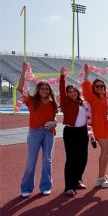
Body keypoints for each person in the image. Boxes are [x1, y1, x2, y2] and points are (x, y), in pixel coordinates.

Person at [18, 62, 58, 197]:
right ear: (38, 90)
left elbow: (55, 118)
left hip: (49, 133)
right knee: (31, 160)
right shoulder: (31, 101)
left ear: (50, 90)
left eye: (47, 89)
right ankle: (26, 188)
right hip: (35, 132)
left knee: (47, 160)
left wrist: (54, 123)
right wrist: (24, 72)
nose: (45, 91)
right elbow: (20, 88)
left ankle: (46, 186)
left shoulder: (53, 103)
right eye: (42, 89)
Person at [82, 64, 108, 188]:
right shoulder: (92, 98)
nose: (100, 88)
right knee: (105, 150)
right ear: (94, 88)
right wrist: (86, 74)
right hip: (100, 128)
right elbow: (86, 89)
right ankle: (100, 178)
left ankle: (104, 174)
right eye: (97, 86)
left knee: (107, 151)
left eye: (102, 86)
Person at [59, 66, 89, 196]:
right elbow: (61, 89)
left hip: (83, 132)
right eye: (69, 92)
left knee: (82, 158)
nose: (72, 93)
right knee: (71, 159)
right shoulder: (65, 102)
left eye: (73, 91)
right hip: (70, 133)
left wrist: (87, 74)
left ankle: (78, 180)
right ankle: (69, 186)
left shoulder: (83, 103)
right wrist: (62, 77)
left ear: (77, 92)